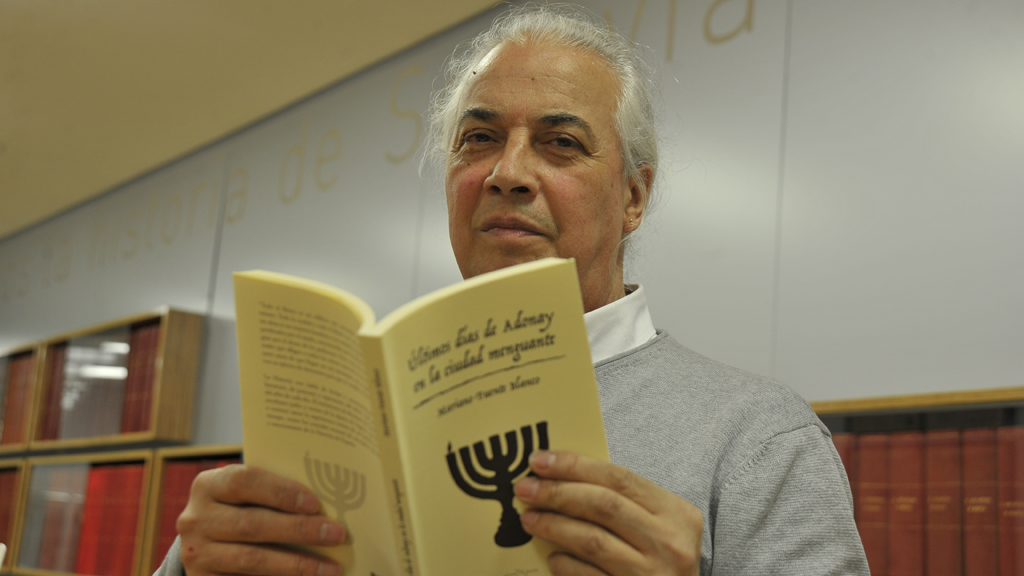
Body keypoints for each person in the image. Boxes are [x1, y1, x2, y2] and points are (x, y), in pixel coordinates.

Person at [161, 5, 868, 576]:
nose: (509, 172)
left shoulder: (758, 438)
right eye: (479, 138)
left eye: (561, 143)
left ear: (633, 199)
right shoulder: (349, 412)